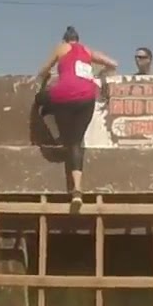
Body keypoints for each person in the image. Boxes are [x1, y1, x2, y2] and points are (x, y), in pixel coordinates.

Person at [35, 26, 118, 206]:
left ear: (65, 40)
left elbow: (44, 70)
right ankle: (77, 191)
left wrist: (45, 76)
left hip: (63, 96)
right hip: (86, 98)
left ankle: (58, 137)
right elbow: (113, 64)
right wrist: (98, 74)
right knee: (76, 143)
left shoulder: (61, 48)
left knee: (41, 103)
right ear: (78, 40)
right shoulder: (87, 50)